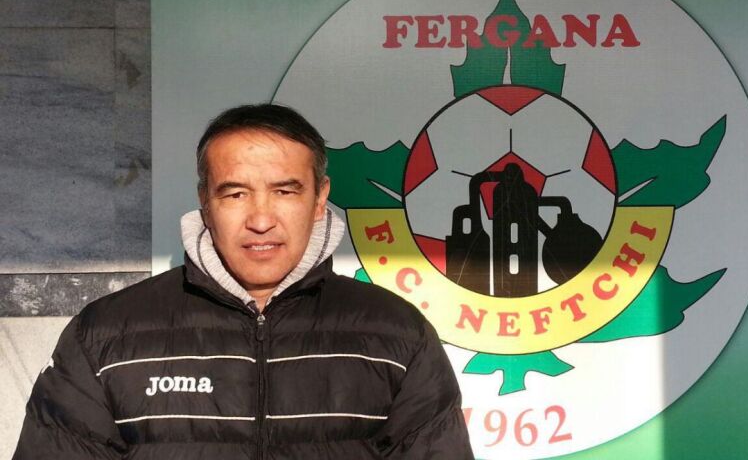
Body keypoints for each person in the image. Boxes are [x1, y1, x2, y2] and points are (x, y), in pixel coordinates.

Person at [14, 104, 474, 459]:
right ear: (205, 201)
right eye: (235, 194)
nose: (260, 219)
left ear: (320, 199)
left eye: (284, 191)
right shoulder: (105, 335)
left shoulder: (396, 334)